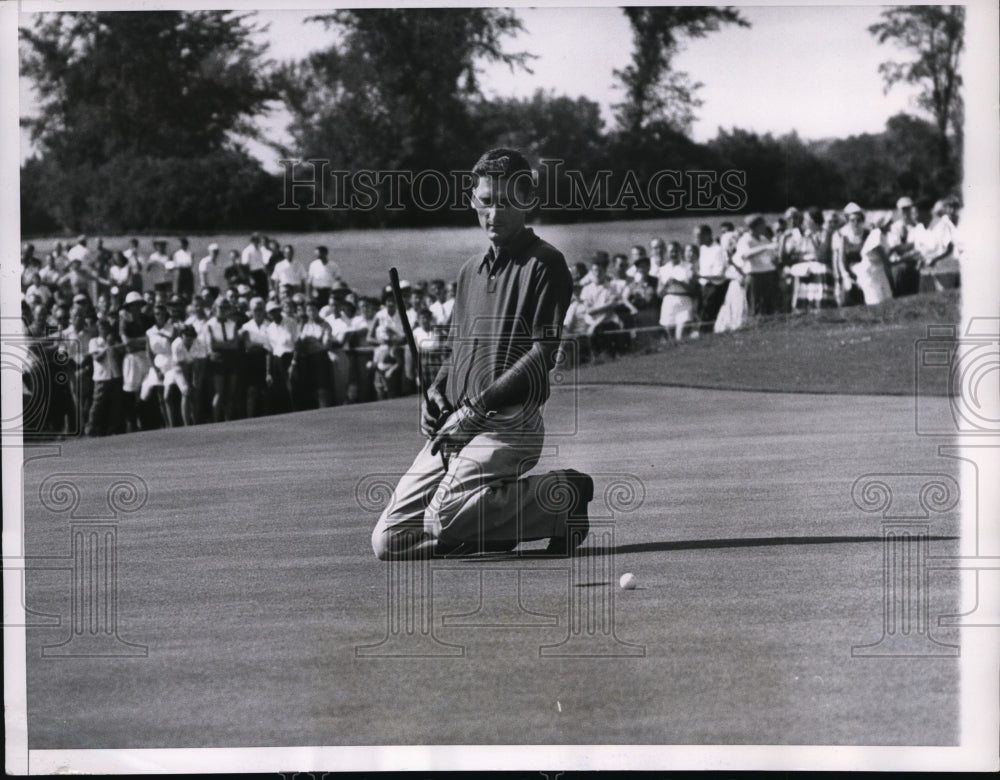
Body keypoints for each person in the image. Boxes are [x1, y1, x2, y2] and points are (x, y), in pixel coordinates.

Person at [371, 147, 592, 560]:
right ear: (474, 201)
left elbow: (544, 352)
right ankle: (488, 530)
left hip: (509, 422)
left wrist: (474, 412)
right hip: (457, 423)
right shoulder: (468, 271)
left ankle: (563, 495)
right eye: (486, 201)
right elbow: (458, 352)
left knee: (442, 518)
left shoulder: (545, 263)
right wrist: (435, 392)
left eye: (507, 201)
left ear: (527, 201)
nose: (494, 212)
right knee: (389, 542)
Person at [581, 252, 627, 358]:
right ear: (591, 272)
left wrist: (595, 324)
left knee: (610, 354)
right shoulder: (586, 289)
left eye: (600, 271)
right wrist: (607, 306)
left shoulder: (612, 287)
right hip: (590, 324)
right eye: (594, 270)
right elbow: (589, 311)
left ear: (605, 272)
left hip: (605, 323)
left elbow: (610, 310)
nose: (597, 273)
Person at [733, 214, 780, 317]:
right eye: (762, 225)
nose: (764, 227)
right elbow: (746, 255)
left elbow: (772, 256)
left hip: (768, 275)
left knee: (769, 306)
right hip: (755, 276)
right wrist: (766, 247)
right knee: (755, 306)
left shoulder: (763, 239)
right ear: (755, 227)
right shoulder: (745, 240)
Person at [119, 291, 151, 433]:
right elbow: (127, 343)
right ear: (129, 307)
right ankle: (132, 424)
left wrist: (138, 341)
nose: (136, 308)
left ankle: (144, 422)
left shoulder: (146, 319)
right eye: (133, 305)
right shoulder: (124, 321)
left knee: (146, 390)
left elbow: (151, 340)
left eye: (138, 305)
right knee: (132, 391)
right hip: (132, 359)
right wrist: (142, 340)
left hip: (146, 357)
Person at [86, 318, 124, 436]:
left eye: (105, 327)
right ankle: (91, 428)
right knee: (98, 404)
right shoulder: (94, 341)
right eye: (101, 327)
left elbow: (121, 352)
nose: (104, 329)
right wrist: (107, 346)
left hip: (115, 375)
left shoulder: (114, 340)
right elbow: (97, 358)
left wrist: (114, 345)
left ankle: (113, 428)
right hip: (101, 377)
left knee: (115, 404)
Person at [206, 298, 242, 423]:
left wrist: (221, 344)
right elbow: (212, 345)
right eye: (220, 307)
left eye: (225, 307)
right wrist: (227, 344)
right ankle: (216, 421)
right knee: (219, 392)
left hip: (231, 358)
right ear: (215, 308)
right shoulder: (210, 324)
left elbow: (235, 345)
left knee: (231, 392)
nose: (222, 310)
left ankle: (228, 420)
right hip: (218, 359)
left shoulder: (232, 323)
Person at [657, 241, 699, 340]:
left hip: (684, 302)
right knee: (670, 337)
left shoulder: (688, 267)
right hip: (668, 303)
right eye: (671, 252)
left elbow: (694, 290)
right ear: (667, 253)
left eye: (676, 251)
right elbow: (659, 293)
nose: (674, 254)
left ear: (681, 252)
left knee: (681, 336)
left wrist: (678, 282)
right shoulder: (663, 269)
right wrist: (667, 284)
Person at [831, 202, 869, 306]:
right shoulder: (840, 235)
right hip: (848, 272)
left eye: (859, 219)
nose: (856, 223)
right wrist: (840, 278)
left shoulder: (867, 234)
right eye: (852, 220)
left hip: (865, 271)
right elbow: (838, 260)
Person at [239, 297, 271, 418]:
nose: (258, 312)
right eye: (255, 309)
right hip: (251, 362)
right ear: (251, 311)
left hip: (266, 360)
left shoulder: (269, 325)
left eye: (260, 309)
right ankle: (250, 419)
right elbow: (246, 346)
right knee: (251, 391)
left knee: (265, 392)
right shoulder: (245, 327)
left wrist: (255, 345)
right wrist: (259, 345)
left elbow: (270, 346)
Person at [694, 224, 730, 332]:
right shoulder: (703, 249)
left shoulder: (718, 250)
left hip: (715, 288)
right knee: (701, 316)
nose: (696, 239)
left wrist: (700, 276)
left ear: (707, 235)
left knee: (709, 318)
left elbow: (719, 275)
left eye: (698, 236)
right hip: (704, 288)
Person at [241, 233, 269, 298]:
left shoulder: (260, 249)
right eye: (256, 240)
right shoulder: (247, 251)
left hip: (262, 274)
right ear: (252, 240)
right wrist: (250, 278)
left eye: (258, 240)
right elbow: (245, 266)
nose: (258, 241)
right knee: (255, 293)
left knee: (264, 293)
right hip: (253, 274)